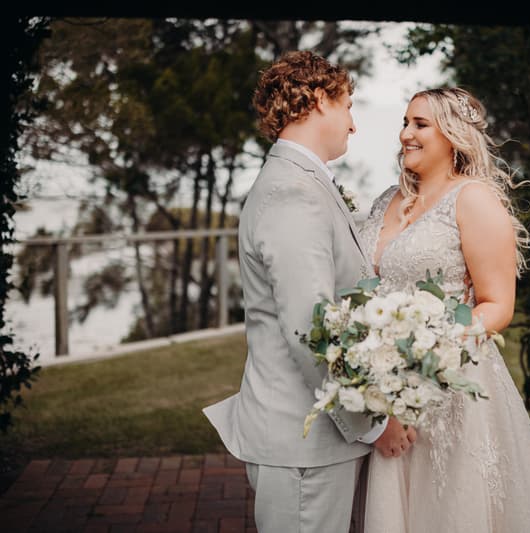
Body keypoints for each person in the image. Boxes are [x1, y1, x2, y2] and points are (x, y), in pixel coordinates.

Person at [202, 50, 416, 533]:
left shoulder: (299, 182)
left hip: (310, 441)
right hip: (303, 443)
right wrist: (375, 424)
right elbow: (311, 331)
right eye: (348, 106)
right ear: (319, 99)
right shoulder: (293, 192)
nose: (354, 124)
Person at [358, 87, 530, 532]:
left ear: (453, 135)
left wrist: (428, 356)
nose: (406, 134)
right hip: (382, 384)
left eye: (420, 124)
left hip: (449, 384)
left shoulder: (473, 200)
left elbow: (497, 305)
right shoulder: (386, 199)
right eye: (404, 123)